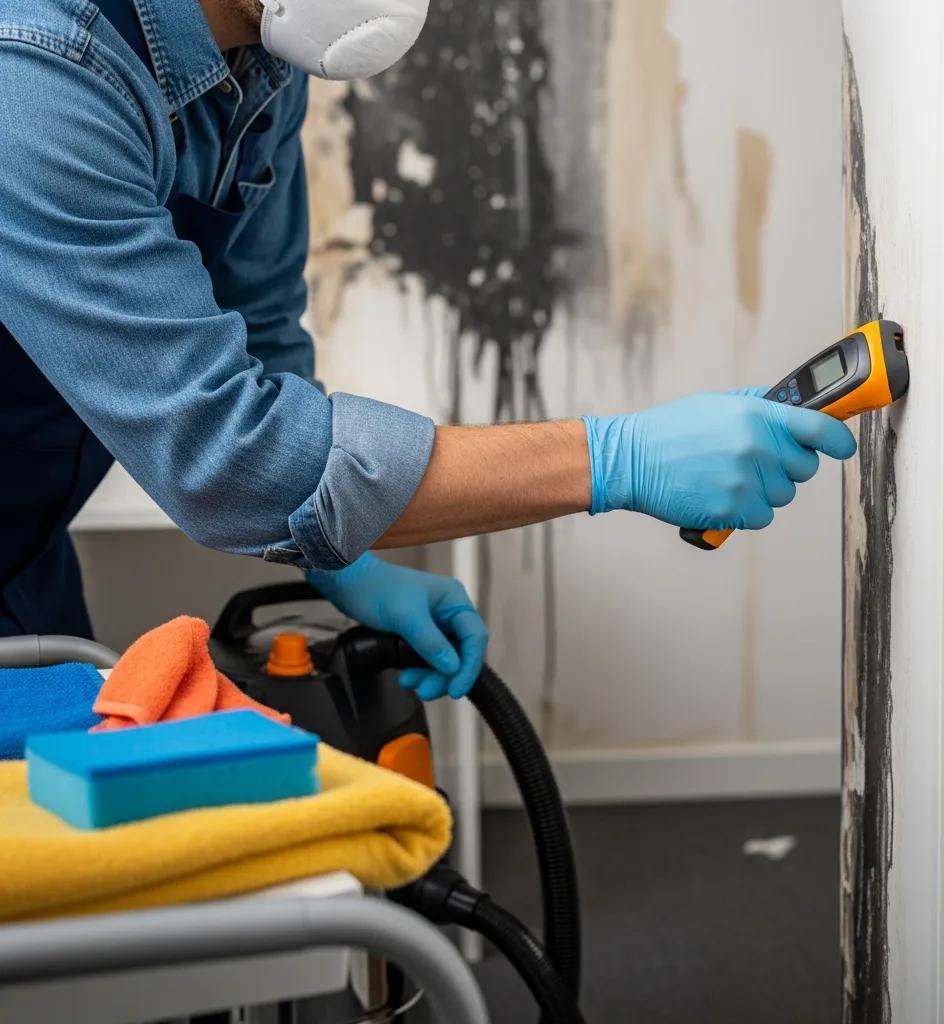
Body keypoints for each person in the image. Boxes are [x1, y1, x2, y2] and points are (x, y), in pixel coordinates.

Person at [0, 0, 856, 699]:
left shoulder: (259, 64)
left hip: (27, 551)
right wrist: (614, 460)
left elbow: (258, 330)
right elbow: (231, 458)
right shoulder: (35, 78)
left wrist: (339, 557)